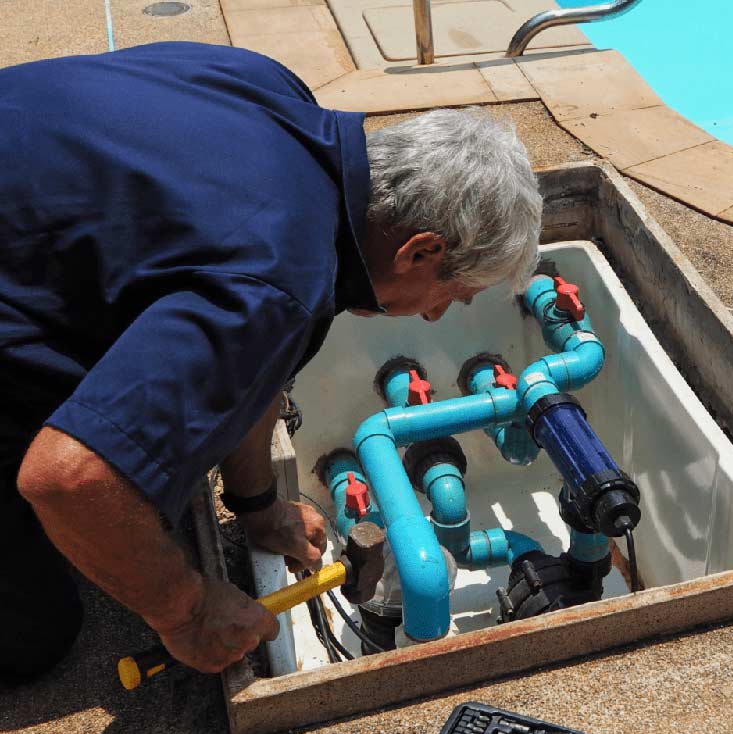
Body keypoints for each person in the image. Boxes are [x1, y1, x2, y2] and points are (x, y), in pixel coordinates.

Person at [0, 41, 542, 683]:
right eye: (453, 295)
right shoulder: (279, 283)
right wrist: (187, 610)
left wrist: (259, 506)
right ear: (420, 251)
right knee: (37, 632)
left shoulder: (274, 87)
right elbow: (66, 480)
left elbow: (253, 368)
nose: (433, 317)